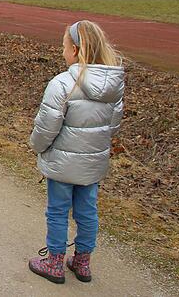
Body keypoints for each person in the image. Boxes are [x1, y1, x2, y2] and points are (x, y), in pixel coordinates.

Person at [28, 20, 124, 284]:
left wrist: (37, 147)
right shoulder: (114, 86)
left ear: (76, 50)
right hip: (92, 162)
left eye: (64, 46)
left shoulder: (62, 84)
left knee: (58, 210)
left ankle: (55, 261)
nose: (62, 51)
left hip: (62, 161)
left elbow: (46, 126)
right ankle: (82, 261)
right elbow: (112, 125)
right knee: (88, 210)